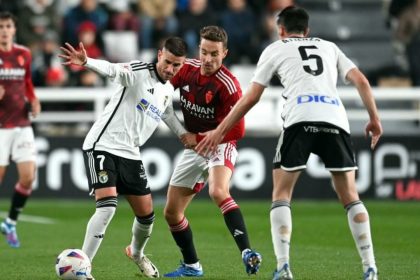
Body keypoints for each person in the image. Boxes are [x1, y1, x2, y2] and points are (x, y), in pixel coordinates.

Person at [196, 6, 382, 280]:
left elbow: (252, 97)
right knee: (350, 196)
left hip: (299, 119)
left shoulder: (276, 48)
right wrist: (374, 120)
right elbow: (362, 81)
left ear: (280, 29)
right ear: (307, 31)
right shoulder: (329, 47)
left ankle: (283, 268)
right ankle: (370, 268)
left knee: (281, 194)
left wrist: (219, 131)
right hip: (335, 119)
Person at [59, 36, 189, 279]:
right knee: (107, 207)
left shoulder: (168, 88)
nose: (171, 69)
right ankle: (83, 269)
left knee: (147, 215)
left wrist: (184, 135)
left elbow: (167, 112)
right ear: (160, 54)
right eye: (168, 62)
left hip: (131, 153)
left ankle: (137, 253)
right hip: (103, 145)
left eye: (177, 65)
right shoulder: (139, 71)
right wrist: (87, 62)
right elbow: (113, 70)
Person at [163, 25, 262, 278]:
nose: (207, 59)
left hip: (221, 143)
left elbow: (238, 130)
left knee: (218, 190)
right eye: (204, 52)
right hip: (195, 148)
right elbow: (162, 92)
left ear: (225, 53)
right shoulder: (186, 70)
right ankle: (192, 265)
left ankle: (247, 252)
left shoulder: (228, 85)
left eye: (214, 54)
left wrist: (203, 137)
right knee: (172, 213)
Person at [0, 11, 41, 248]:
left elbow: (27, 82)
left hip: (22, 124)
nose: (4, 30)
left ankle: (10, 222)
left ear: (14, 29)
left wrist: (34, 100)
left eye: (8, 26)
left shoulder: (23, 54)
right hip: (1, 127)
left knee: (28, 177)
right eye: (1, 26)